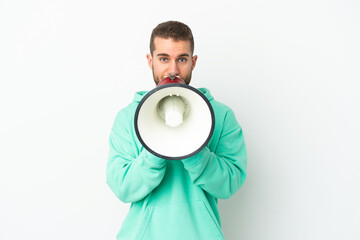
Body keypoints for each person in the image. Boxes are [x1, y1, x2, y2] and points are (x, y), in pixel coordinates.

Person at [106, 21, 247, 240]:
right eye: (163, 59)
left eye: (182, 59)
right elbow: (123, 188)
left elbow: (230, 183)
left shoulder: (221, 116)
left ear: (193, 61)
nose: (172, 70)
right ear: (150, 61)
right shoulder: (127, 118)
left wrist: (195, 149)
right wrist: (155, 145)